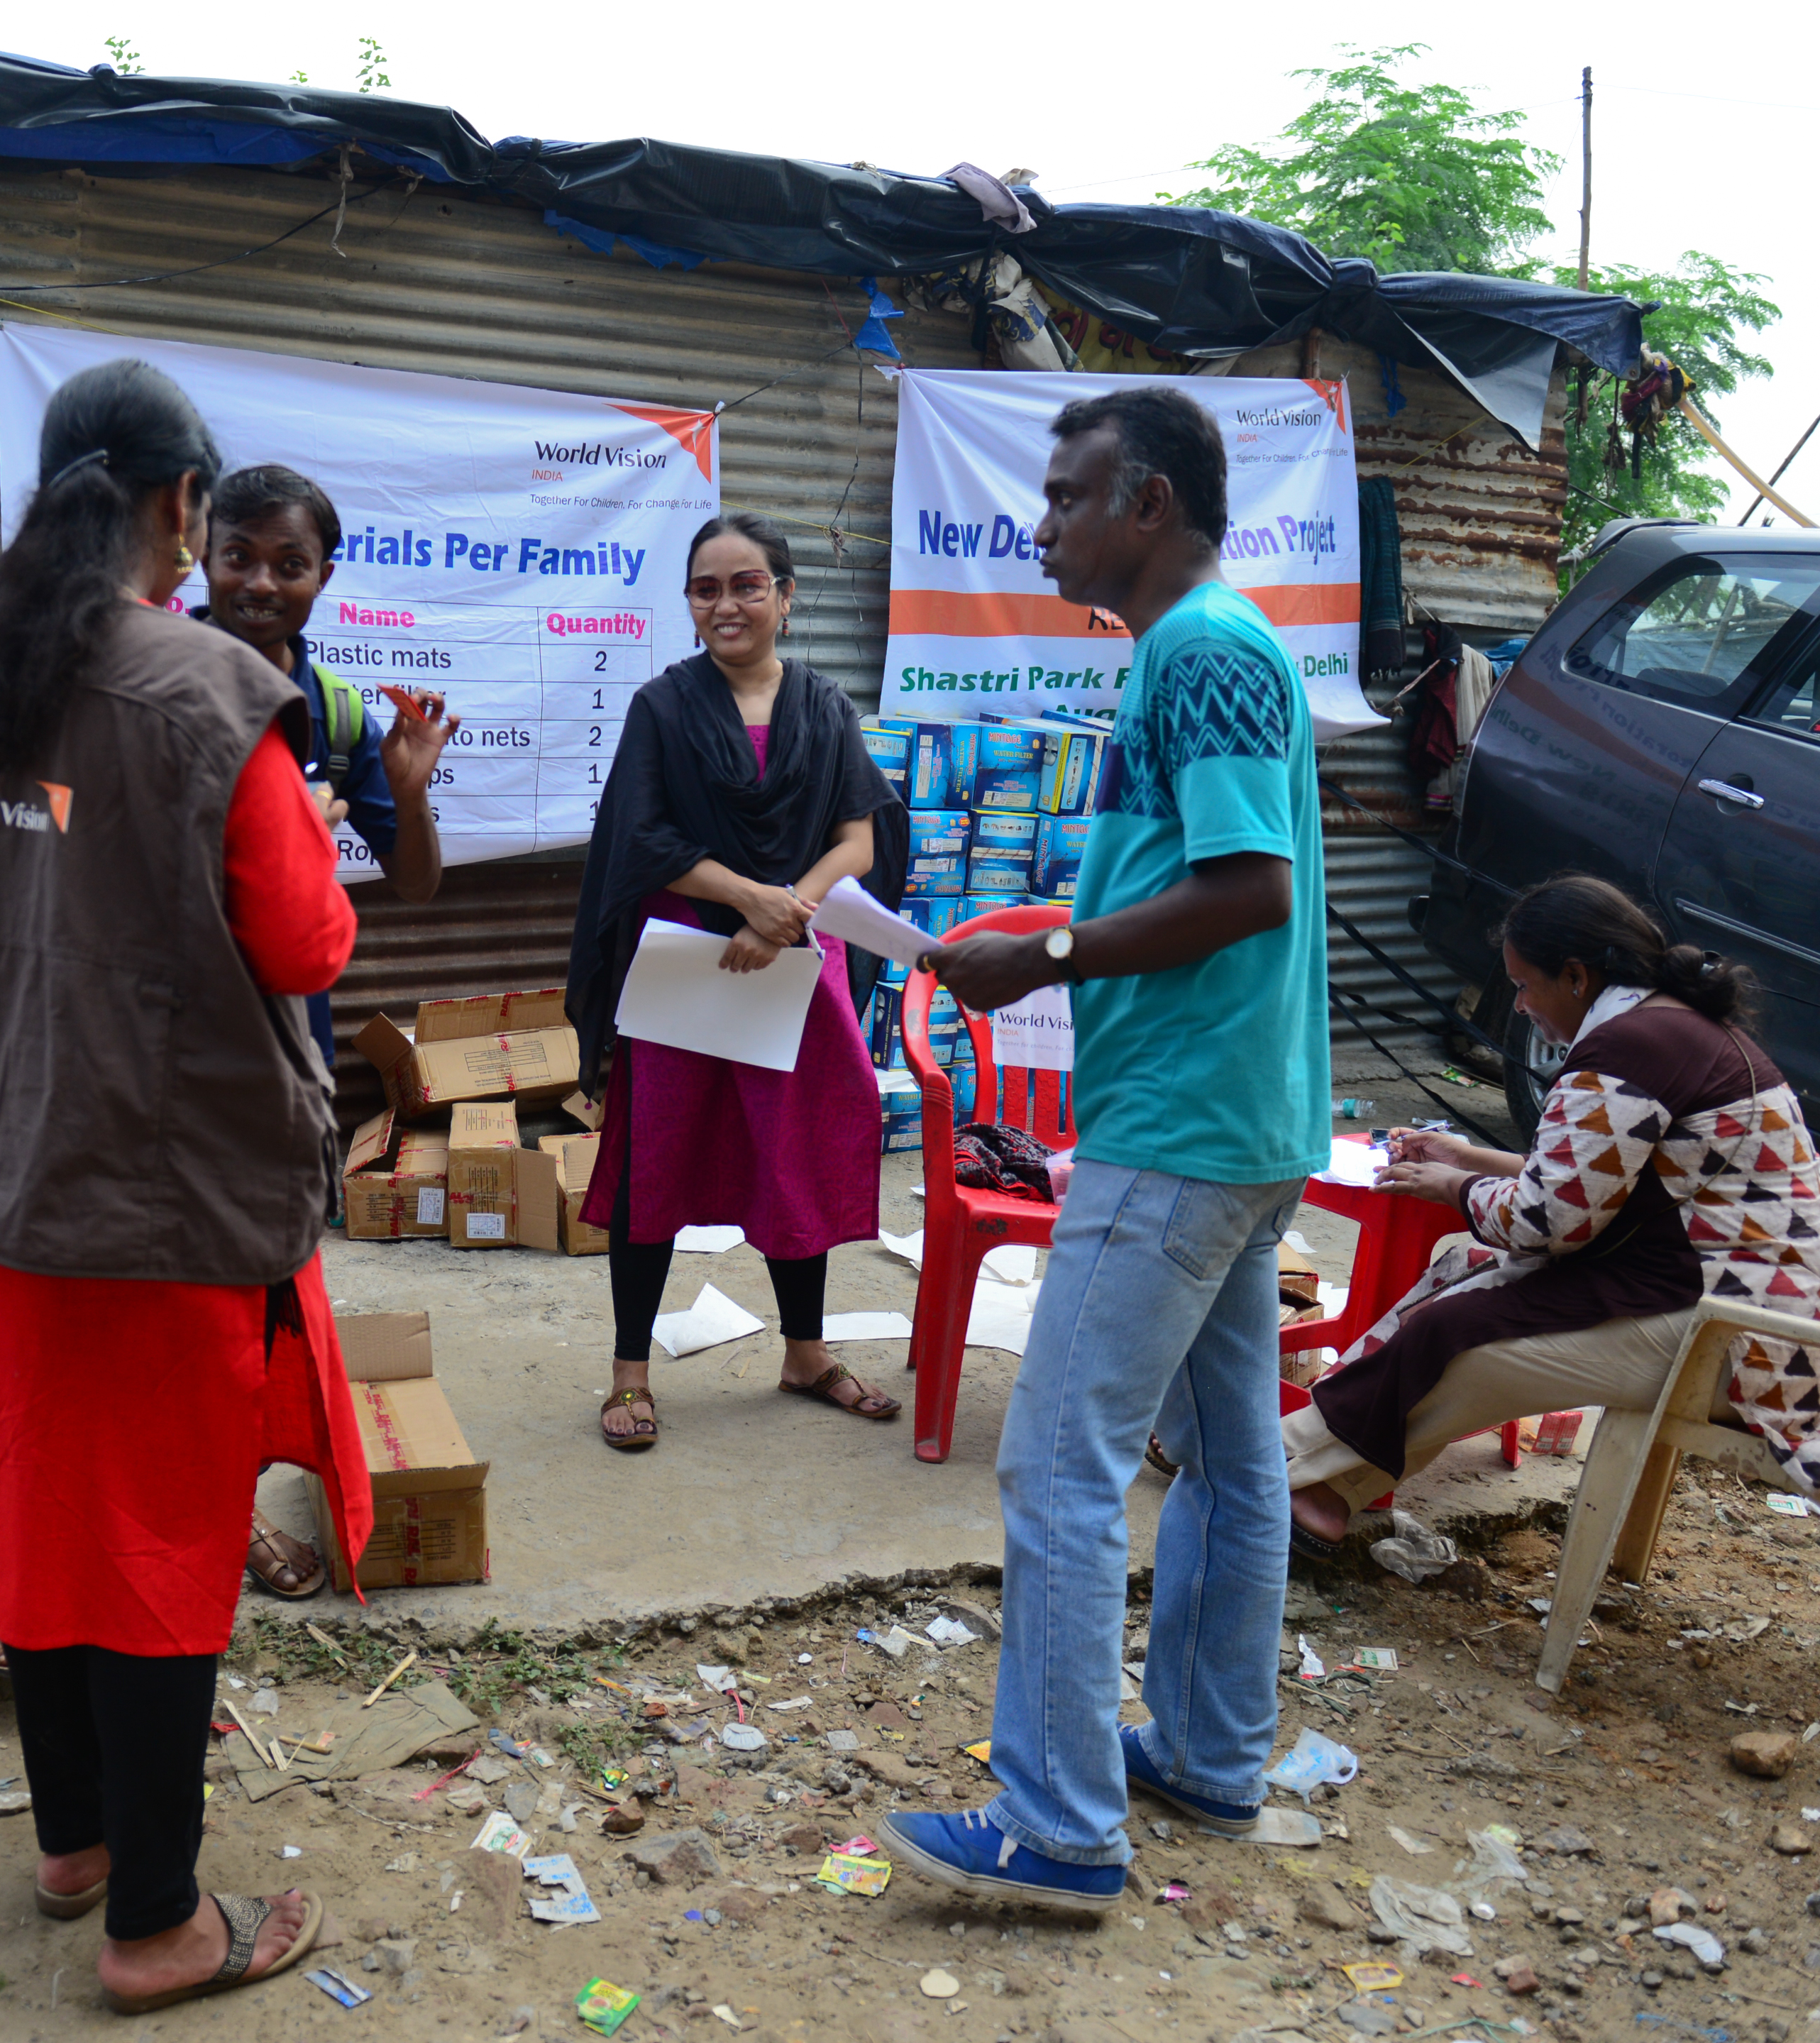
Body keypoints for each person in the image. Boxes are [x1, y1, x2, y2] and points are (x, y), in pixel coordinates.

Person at [0, 358, 360, 2015]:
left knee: (43, 1518)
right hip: (155, 1196)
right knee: (160, 1541)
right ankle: (155, 1920)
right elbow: (308, 942)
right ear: (179, 505)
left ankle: (77, 1838)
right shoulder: (206, 692)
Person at [883, 385, 1328, 1912]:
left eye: (1067, 493)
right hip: (1242, 1117)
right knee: (1226, 1455)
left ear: (1147, 504)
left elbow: (1245, 887)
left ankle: (1061, 1825)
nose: (1041, 520)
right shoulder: (1209, 648)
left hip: (1184, 1130)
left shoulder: (1202, 650)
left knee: (1057, 1462)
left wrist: (1048, 953)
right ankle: (1209, 1752)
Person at [1288, 875, 1820, 1540]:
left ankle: (1295, 1473)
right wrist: (1468, 1160)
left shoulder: (1629, 1049)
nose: (1518, 1006)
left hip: (1747, 1341)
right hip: (1767, 1306)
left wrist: (1453, 1188)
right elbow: (1609, 1184)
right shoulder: (1670, 1026)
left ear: (1575, 977)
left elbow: (1546, 1224)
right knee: (1462, 1279)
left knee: (1465, 1338)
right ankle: (1310, 1472)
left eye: (1524, 985)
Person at [562, 512, 908, 1453]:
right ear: (689, 604)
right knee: (658, 1159)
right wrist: (749, 899)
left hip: (791, 966)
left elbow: (859, 838)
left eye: (747, 585)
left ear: (786, 599)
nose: (727, 604)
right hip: (687, 966)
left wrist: (786, 909)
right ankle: (629, 1374)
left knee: (791, 1154)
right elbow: (640, 841)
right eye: (707, 588)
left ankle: (804, 1354)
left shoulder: (825, 709)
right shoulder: (664, 709)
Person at [198, 461, 456, 1600]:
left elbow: (413, 886)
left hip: (287, 1057)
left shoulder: (338, 711)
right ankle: (194, 1510)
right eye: (238, 556)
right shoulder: (153, 683)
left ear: (325, 577)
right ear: (199, 556)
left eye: (287, 563)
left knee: (264, 1290)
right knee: (170, 1297)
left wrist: (411, 787)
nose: (260, 582)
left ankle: (230, 1502)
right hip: (163, 1048)